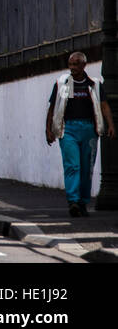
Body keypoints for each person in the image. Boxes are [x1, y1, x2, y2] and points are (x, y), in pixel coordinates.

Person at [46, 51, 115, 216]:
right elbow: (54, 107)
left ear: (84, 65)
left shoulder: (93, 84)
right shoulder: (64, 84)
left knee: (86, 168)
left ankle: (83, 201)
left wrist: (110, 125)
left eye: (76, 64)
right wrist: (48, 129)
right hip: (68, 129)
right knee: (73, 165)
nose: (73, 68)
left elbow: (104, 106)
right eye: (70, 64)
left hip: (89, 130)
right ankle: (73, 201)